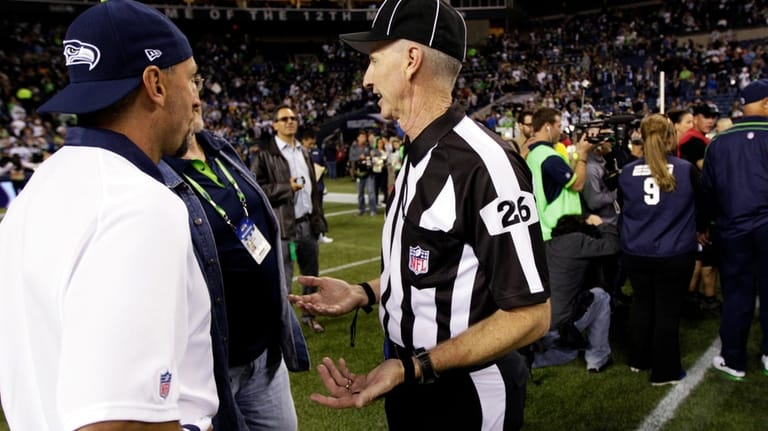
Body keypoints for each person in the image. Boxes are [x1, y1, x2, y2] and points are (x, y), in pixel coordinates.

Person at [289, 1, 551, 429]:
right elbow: (435, 264)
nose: (367, 77)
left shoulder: (484, 164)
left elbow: (531, 314)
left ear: (412, 60)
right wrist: (365, 292)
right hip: (412, 374)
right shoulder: (419, 151)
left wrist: (416, 367)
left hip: (466, 391)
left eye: (375, 60)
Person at [0, 1, 218, 429]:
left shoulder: (36, 192)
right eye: (191, 79)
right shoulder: (138, 205)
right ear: (155, 83)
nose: (197, 98)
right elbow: (121, 422)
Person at [159, 105, 310, 430]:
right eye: (188, 81)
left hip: (266, 353)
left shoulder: (219, 148)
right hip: (215, 365)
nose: (196, 97)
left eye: (197, 80)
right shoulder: (154, 173)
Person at [618, 113, 705, 386]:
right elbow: (703, 207)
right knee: (667, 311)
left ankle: (639, 359)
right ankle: (665, 371)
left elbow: (624, 209)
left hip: (636, 251)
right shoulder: (685, 169)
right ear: (670, 137)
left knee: (642, 304)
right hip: (673, 252)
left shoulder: (626, 172)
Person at [702, 79, 768, 380]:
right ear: (765, 103)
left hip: (732, 230)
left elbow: (708, 192)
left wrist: (704, 225)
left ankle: (734, 359)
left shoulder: (719, 141)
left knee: (737, 294)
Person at [250, 104, 329, 333]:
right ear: (275, 125)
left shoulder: (304, 152)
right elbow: (256, 190)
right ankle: (284, 326)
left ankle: (309, 316)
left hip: (307, 224)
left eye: (293, 118)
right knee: (283, 280)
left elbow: (314, 192)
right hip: (283, 227)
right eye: (284, 119)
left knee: (311, 277)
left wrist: (318, 220)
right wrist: (287, 188)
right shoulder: (266, 154)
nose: (290, 122)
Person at [532, 214, 618, 373]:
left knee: (568, 352)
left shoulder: (545, 246)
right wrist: (602, 225)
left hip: (535, 328)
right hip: (558, 328)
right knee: (601, 296)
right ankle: (597, 359)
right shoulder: (576, 241)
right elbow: (612, 246)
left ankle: (530, 356)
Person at [678, 103, 722, 315]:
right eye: (706, 116)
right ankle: (697, 297)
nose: (711, 120)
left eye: (714, 117)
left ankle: (693, 297)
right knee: (702, 254)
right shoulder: (693, 140)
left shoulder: (696, 139)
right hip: (695, 204)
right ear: (695, 118)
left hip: (693, 203)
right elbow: (708, 171)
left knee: (700, 254)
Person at [526, 107, 593, 240]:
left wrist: (578, 152)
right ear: (547, 127)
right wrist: (583, 155)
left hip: (546, 226)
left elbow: (565, 177)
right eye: (558, 126)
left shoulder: (534, 154)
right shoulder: (549, 156)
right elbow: (577, 184)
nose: (561, 131)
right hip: (559, 228)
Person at [302, 129, 334, 243]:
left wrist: (321, 169)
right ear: (304, 141)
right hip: (304, 188)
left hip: (317, 186)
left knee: (318, 210)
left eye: (313, 143)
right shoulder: (298, 153)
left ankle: (321, 234)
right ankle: (309, 234)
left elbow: (323, 165)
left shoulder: (317, 151)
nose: (311, 146)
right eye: (309, 143)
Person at [348, 129, 377, 215]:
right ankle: (361, 209)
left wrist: (372, 154)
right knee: (360, 193)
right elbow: (351, 158)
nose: (363, 138)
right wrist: (359, 157)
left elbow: (376, 154)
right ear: (358, 138)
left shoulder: (369, 147)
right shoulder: (353, 147)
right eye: (362, 137)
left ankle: (373, 210)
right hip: (359, 173)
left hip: (369, 172)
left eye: (364, 137)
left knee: (371, 192)